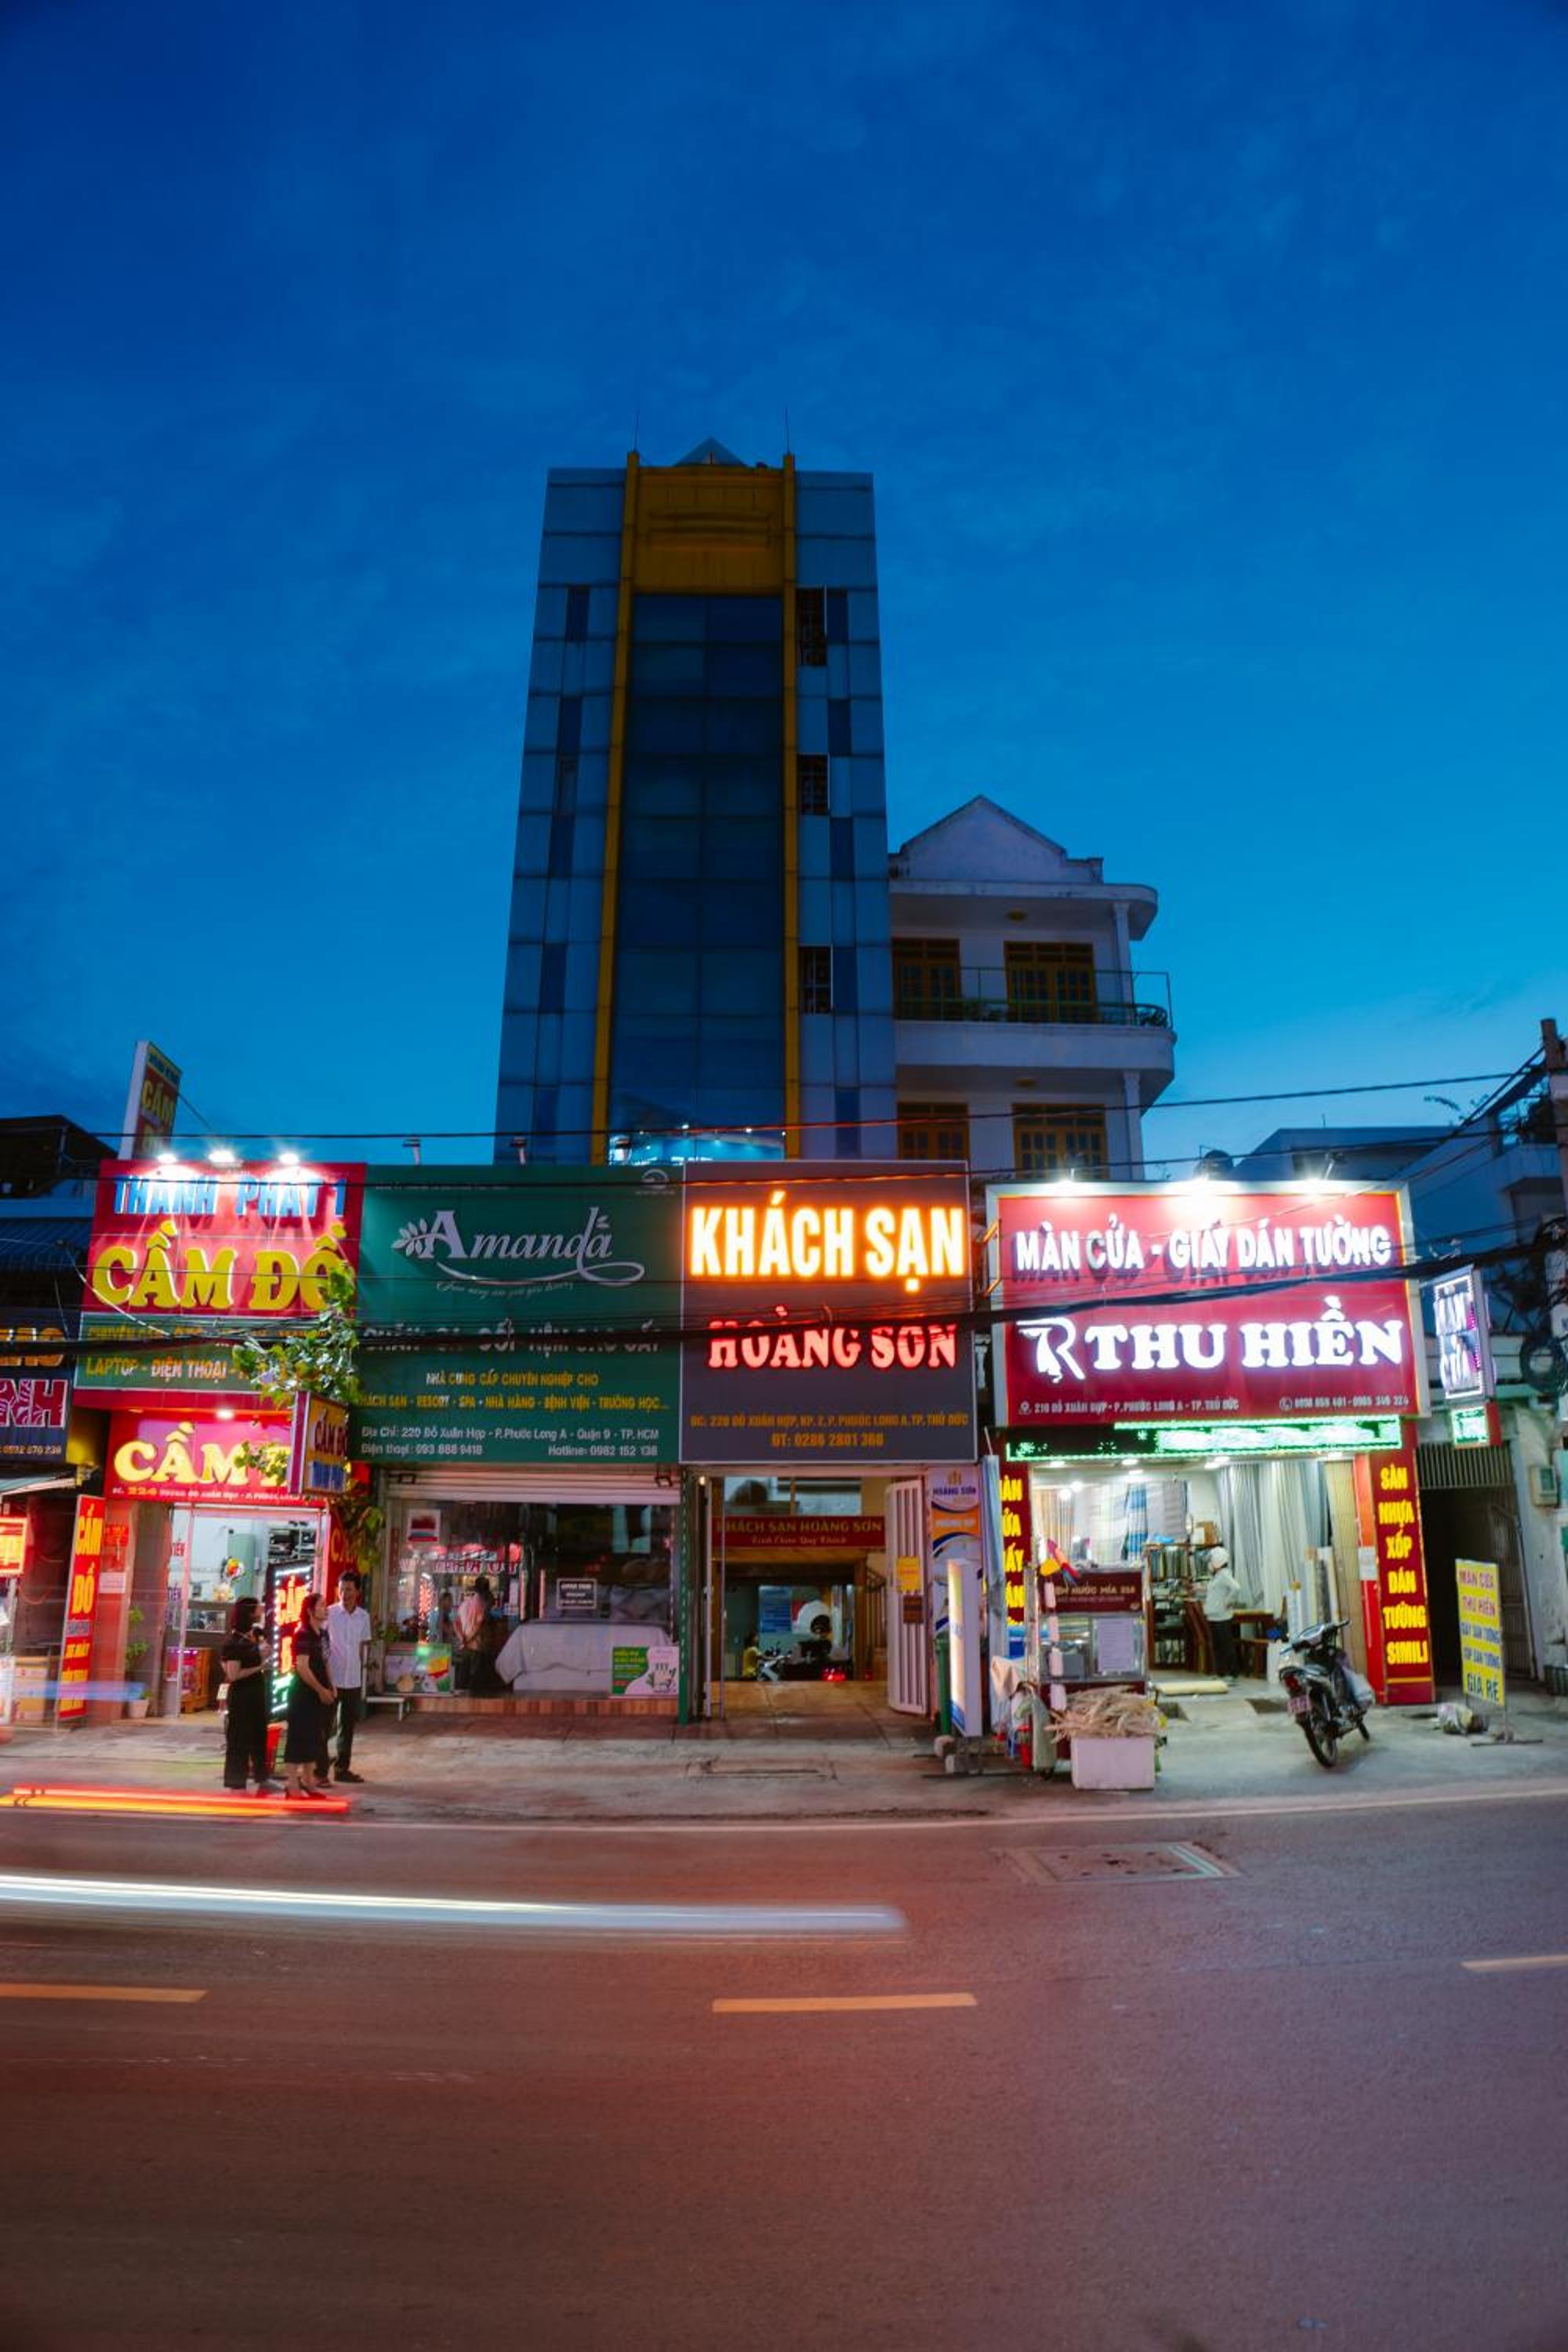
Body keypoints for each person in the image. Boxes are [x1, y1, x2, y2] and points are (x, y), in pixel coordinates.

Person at [284, 1593, 336, 1799]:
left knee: (314, 1737)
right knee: (298, 1737)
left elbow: (326, 1661)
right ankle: (292, 1785)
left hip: (318, 1692)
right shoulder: (303, 1634)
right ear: (310, 1611)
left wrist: (331, 1686)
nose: (326, 1608)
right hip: (303, 1693)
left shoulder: (323, 1634)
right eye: (322, 1605)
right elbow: (302, 1667)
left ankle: (308, 1781)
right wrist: (321, 1690)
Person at [220, 1597, 274, 1795]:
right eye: (258, 1608)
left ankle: (262, 1779)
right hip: (242, 1697)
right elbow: (233, 1675)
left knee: (259, 1737)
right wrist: (261, 1666)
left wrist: (263, 1654)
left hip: (256, 1694)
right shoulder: (234, 1643)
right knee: (239, 1740)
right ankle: (237, 1784)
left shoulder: (255, 1635)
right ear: (249, 1613)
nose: (261, 1610)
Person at [325, 1571, 372, 1784]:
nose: (345, 1594)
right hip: (332, 1679)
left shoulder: (363, 1617)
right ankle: (319, 1768)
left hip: (353, 1678)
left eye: (349, 1589)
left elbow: (363, 1646)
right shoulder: (330, 1614)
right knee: (325, 1724)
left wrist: (362, 1671)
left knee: (347, 1726)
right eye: (342, 1589)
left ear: (357, 1592)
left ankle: (342, 1769)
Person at [1203, 1546, 1244, 1679]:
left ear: (1217, 1560)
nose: (1209, 1564)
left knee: (1226, 1645)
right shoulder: (1217, 1575)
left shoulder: (1224, 1574)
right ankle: (1220, 1672)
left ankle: (1233, 1673)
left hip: (1222, 1617)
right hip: (1213, 1616)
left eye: (1211, 1560)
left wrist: (1228, 1601)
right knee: (1217, 1646)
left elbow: (1236, 1588)